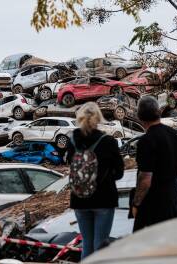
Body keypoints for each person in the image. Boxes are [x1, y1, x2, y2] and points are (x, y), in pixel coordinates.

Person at [67, 102, 124, 259]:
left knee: (87, 243)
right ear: (99, 118)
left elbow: (69, 166)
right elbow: (119, 173)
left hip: (79, 199)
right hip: (104, 199)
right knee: (101, 245)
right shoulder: (108, 141)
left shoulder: (72, 141)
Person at [132, 96, 177, 232]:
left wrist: (136, 203)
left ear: (140, 116)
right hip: (173, 197)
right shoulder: (175, 134)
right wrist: (169, 178)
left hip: (153, 204)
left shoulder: (146, 141)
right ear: (158, 112)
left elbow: (145, 178)